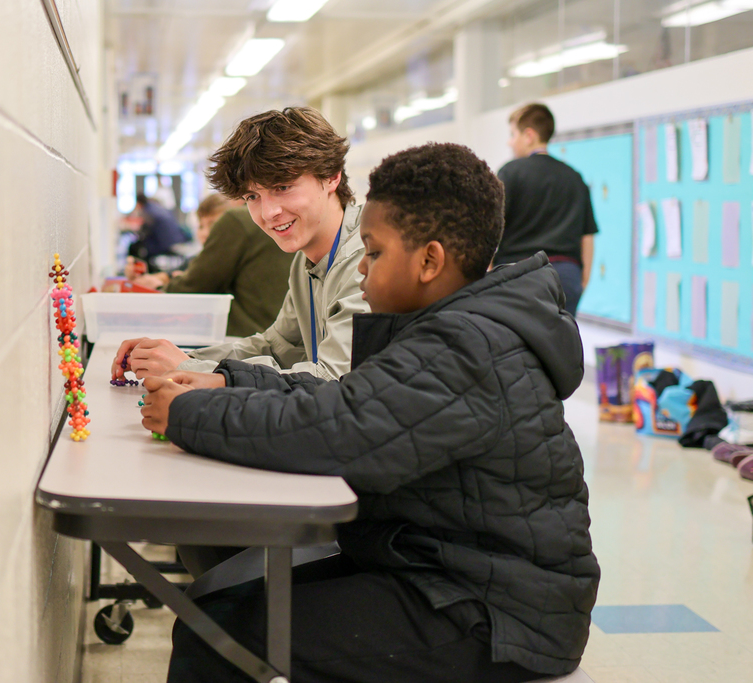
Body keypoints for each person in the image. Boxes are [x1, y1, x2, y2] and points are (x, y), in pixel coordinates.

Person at [140, 143, 599, 683]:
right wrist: (228, 379)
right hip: (438, 568)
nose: (360, 269)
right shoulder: (452, 327)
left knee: (218, 631)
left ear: (430, 261)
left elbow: (338, 431)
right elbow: (347, 401)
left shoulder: (467, 345)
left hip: (494, 612)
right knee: (216, 602)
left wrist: (192, 414)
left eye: (375, 254)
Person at [110, 106, 368, 383]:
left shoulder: (366, 256)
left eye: (282, 187)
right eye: (252, 197)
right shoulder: (308, 261)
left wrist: (192, 370)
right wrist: (184, 359)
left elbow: (333, 379)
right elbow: (277, 346)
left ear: (331, 176)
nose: (268, 213)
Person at [132, 194, 295, 337]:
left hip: (245, 337)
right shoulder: (279, 221)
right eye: (201, 226)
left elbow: (196, 284)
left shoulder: (237, 219)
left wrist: (158, 289)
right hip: (278, 337)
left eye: (214, 225)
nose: (206, 232)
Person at [494, 102, 598, 317]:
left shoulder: (510, 172)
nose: (509, 142)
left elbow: (491, 225)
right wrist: (582, 278)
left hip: (518, 274)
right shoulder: (574, 177)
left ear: (529, 135)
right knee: (559, 344)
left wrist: (486, 271)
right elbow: (587, 235)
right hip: (566, 277)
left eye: (513, 135)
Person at [129, 193, 189, 270]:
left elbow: (146, 231)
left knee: (139, 248)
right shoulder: (155, 207)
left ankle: (145, 272)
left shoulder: (148, 211)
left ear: (138, 203)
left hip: (165, 243)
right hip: (177, 238)